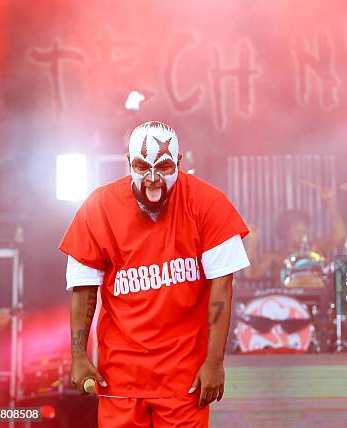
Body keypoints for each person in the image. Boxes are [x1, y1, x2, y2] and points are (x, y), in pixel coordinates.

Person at [59, 121, 249, 427]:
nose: (152, 178)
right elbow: (84, 289)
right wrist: (79, 357)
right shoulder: (99, 207)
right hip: (120, 375)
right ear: (128, 162)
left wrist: (214, 363)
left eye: (163, 167)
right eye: (141, 166)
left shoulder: (209, 203)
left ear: (180, 162)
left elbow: (222, 288)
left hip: (183, 377)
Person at [245, 187, 346, 280]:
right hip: (287, 299)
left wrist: (329, 201)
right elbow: (251, 275)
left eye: (304, 230)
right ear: (285, 232)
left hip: (317, 298)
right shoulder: (274, 256)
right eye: (297, 231)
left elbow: (339, 234)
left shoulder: (315, 248)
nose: (303, 234)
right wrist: (252, 241)